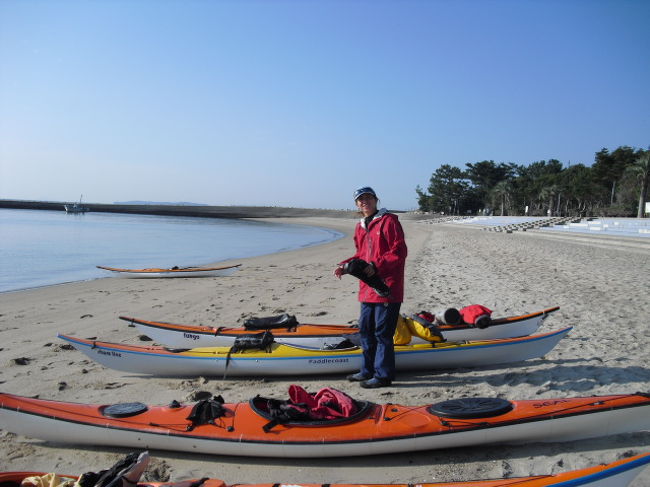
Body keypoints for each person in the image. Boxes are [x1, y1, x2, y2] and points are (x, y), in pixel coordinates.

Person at [334, 186, 407, 388]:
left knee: (382, 334)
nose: (364, 201)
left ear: (376, 200)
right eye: (360, 199)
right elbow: (360, 255)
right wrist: (345, 266)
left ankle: (383, 376)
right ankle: (367, 371)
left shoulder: (389, 221)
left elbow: (398, 252)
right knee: (365, 331)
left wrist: (376, 266)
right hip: (366, 288)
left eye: (368, 198)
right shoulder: (360, 227)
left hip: (387, 287)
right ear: (357, 204)